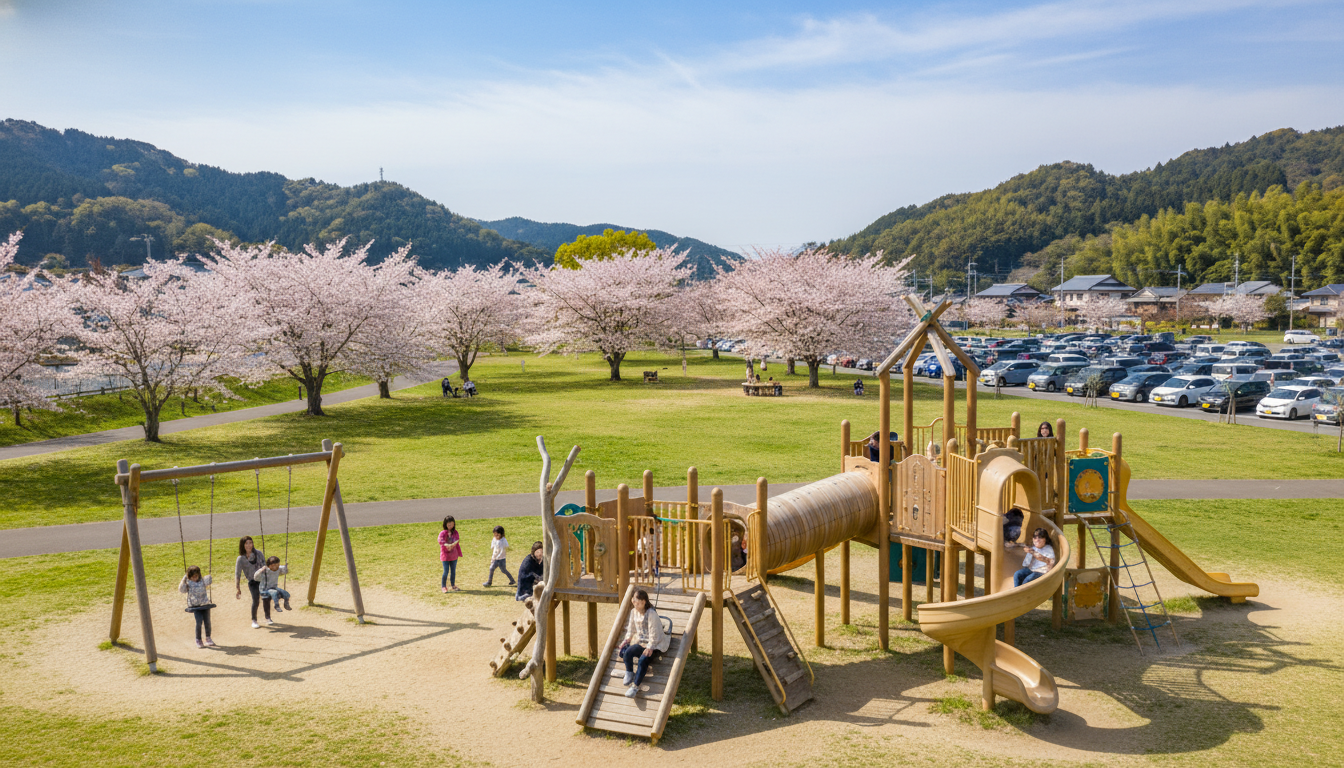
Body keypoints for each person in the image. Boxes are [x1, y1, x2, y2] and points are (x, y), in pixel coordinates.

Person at [619, 589, 670, 698]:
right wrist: (627, 639)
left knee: (643, 660)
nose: (634, 604)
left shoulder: (651, 614)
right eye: (633, 601)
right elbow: (631, 628)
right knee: (628, 652)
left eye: (637, 602)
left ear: (643, 602)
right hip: (642, 642)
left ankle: (635, 686)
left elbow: (654, 633)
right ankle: (629, 672)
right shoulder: (633, 612)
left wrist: (650, 647)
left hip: (655, 644)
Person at [234, 535, 271, 628]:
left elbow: (265, 565)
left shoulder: (258, 553)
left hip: (262, 579)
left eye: (251, 543)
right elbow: (237, 574)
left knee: (266, 598)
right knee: (256, 600)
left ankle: (268, 617)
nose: (249, 545)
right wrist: (237, 588)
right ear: (243, 545)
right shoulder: (241, 559)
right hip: (252, 582)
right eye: (246, 543)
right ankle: (254, 620)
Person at [180, 565, 215, 648]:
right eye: (193, 577)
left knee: (207, 622)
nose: (195, 578)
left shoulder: (202, 581)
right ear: (189, 576)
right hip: (195, 605)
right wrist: (184, 579)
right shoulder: (188, 583)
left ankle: (208, 638)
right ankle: (198, 639)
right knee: (199, 622)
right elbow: (181, 590)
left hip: (205, 604)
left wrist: (209, 574)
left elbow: (209, 580)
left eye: (196, 576)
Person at [439, 516, 462, 592]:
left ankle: (453, 585)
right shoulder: (442, 533)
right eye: (449, 525)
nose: (450, 526)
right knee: (445, 571)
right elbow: (440, 540)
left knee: (453, 571)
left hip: (453, 555)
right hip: (445, 556)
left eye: (452, 524)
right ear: (445, 524)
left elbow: (457, 540)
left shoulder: (455, 532)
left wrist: (453, 545)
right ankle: (443, 586)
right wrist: (446, 545)